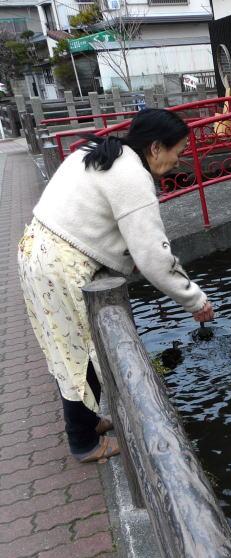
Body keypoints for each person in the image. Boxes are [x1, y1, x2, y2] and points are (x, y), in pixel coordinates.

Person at [17, 108, 215, 463]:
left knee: (69, 346)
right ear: (156, 147)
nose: (179, 160)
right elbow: (154, 258)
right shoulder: (132, 176)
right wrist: (195, 300)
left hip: (38, 252)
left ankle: (90, 421)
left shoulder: (102, 152)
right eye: (179, 151)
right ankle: (84, 443)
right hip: (60, 266)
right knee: (80, 354)